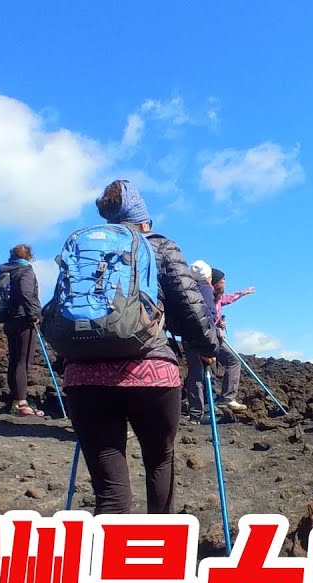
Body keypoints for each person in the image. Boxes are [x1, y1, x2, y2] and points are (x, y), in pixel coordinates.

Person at [63, 180, 219, 514]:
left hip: (84, 377)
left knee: (110, 490)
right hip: (151, 375)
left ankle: (110, 562)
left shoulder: (86, 249)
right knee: (160, 463)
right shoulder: (159, 246)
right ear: (144, 221)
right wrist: (208, 345)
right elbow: (189, 308)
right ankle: (159, 556)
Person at [0, 244, 45, 416]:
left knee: (14, 360)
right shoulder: (25, 270)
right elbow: (26, 293)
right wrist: (35, 314)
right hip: (24, 319)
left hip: (9, 320)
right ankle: (22, 403)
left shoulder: (5, 270)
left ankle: (16, 400)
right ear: (29, 257)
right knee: (23, 362)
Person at [183, 260, 220, 424]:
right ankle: (200, 414)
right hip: (201, 337)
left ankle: (195, 415)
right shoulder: (205, 289)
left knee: (195, 375)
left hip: (188, 337)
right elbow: (206, 315)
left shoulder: (187, 289)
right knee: (199, 375)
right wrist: (207, 345)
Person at [209, 267, 250, 411]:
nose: (225, 282)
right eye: (223, 280)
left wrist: (243, 293)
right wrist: (217, 328)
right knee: (230, 361)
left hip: (214, 336)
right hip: (208, 337)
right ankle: (222, 400)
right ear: (215, 282)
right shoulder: (206, 297)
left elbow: (228, 299)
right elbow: (204, 318)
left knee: (230, 362)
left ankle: (224, 399)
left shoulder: (218, 297)